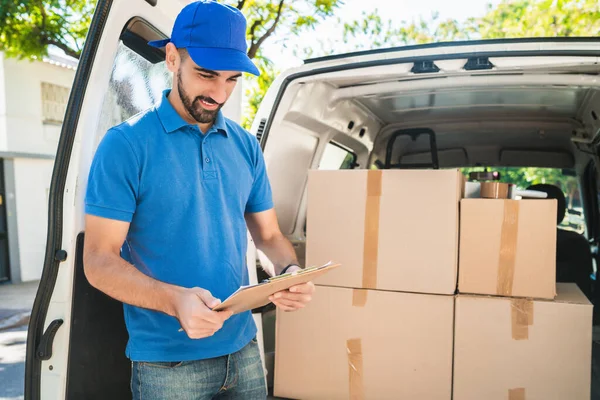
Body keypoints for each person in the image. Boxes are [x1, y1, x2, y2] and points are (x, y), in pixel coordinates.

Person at [82, 1, 315, 398]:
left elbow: (269, 236)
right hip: (168, 365)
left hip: (243, 350)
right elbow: (99, 261)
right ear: (172, 58)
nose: (218, 93)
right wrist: (175, 301)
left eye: (231, 79)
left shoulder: (244, 146)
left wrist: (289, 270)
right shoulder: (125, 145)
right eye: (206, 74)